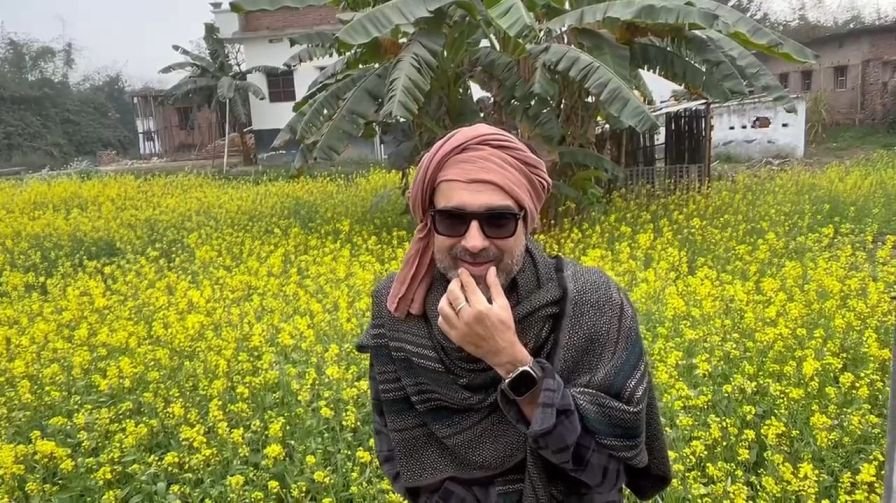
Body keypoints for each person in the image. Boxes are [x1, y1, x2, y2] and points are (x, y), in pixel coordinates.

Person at [356, 123, 672, 502]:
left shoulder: (593, 303)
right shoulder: (398, 311)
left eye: (498, 221)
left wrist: (509, 360)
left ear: (527, 223)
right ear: (429, 223)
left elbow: (605, 473)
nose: (473, 242)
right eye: (453, 219)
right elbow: (399, 459)